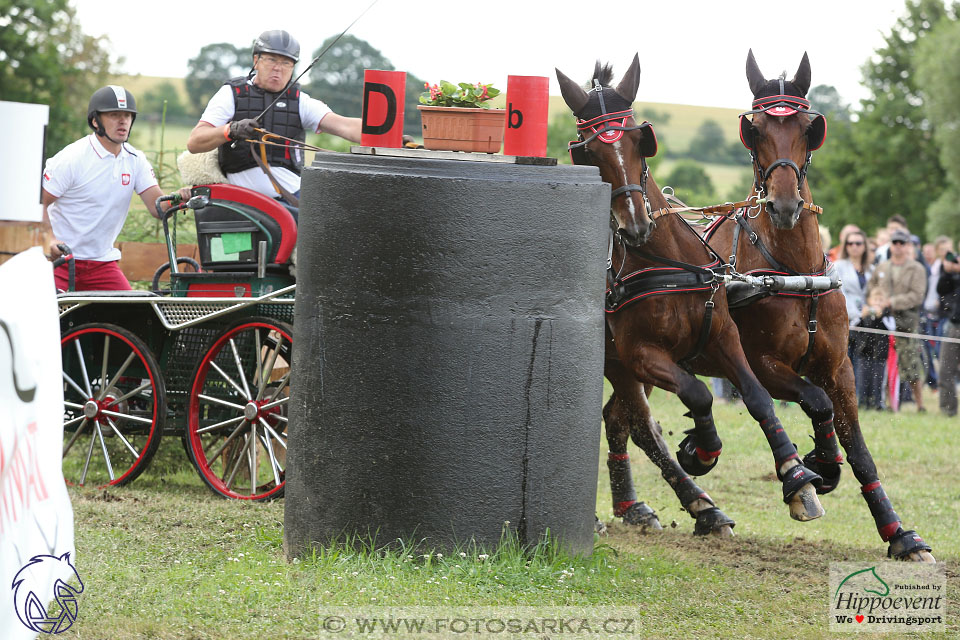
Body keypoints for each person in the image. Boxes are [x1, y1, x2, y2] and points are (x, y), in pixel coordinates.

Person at [186, 29, 362, 216]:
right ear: (256, 61)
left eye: (286, 62)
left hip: (293, 201)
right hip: (242, 204)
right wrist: (231, 130)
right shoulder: (231, 94)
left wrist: (389, 134)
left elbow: (347, 127)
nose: (278, 68)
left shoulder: (302, 102)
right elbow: (195, 142)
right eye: (271, 60)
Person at [41, 85, 191, 291]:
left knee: (132, 316)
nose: (123, 121)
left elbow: (158, 208)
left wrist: (180, 197)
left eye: (128, 116)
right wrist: (49, 239)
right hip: (59, 263)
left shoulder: (136, 160)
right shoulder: (72, 158)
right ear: (95, 121)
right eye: (114, 115)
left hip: (102, 265)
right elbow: (38, 202)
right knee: (49, 321)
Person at [869, 228, 929, 412]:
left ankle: (920, 404)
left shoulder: (916, 268)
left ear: (908, 245)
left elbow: (917, 296)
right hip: (884, 323)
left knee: (911, 365)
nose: (898, 246)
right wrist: (876, 302)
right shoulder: (882, 267)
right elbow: (871, 288)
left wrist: (893, 301)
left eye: (901, 243)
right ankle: (889, 403)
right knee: (887, 365)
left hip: (907, 323)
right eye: (894, 242)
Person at [834, 228, 873, 399]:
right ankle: (842, 396)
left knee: (863, 359)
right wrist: (857, 313)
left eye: (858, 243)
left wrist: (870, 310)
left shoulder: (872, 268)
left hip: (868, 321)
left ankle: (862, 396)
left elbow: (874, 293)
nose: (854, 247)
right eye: (850, 243)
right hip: (847, 319)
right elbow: (839, 292)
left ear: (864, 246)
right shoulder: (838, 266)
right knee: (844, 360)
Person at [855, 287, 895, 410]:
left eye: (880, 300)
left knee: (878, 380)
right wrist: (862, 316)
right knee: (863, 379)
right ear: (869, 301)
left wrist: (880, 317)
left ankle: (878, 403)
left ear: (885, 302)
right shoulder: (865, 314)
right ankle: (862, 401)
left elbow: (891, 328)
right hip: (864, 353)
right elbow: (855, 328)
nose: (877, 303)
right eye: (875, 300)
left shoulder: (888, 316)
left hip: (880, 355)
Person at [936, 247, 960, 416]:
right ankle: (947, 409)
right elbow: (942, 289)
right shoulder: (954, 274)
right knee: (946, 369)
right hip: (955, 324)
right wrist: (947, 271)